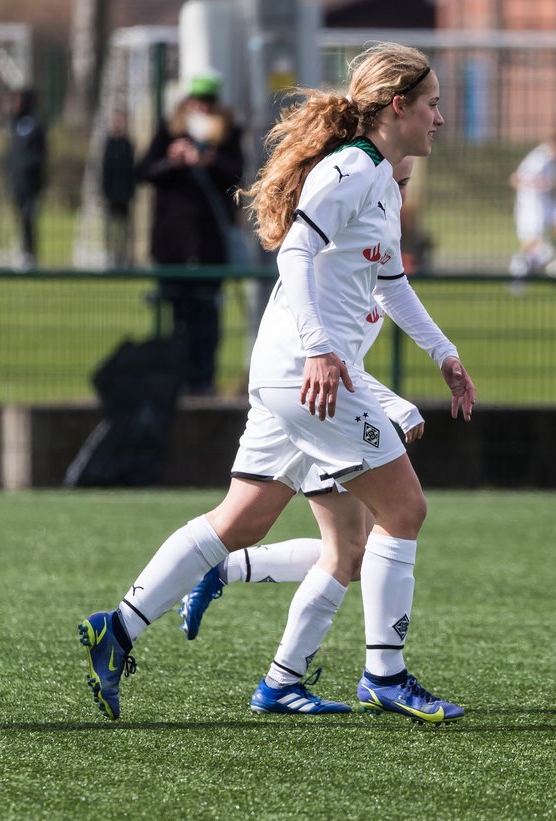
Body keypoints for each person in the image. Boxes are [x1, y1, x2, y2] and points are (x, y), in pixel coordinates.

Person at [79, 43, 476, 723]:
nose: (441, 118)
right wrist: (322, 351)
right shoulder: (351, 171)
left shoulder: (379, 178)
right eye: (434, 104)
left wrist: (444, 353)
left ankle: (115, 630)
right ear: (400, 107)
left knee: (242, 520)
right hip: (307, 374)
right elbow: (294, 248)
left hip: (288, 373)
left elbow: (391, 282)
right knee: (403, 512)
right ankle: (385, 673)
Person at [175, 158, 426, 635]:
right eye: (397, 181)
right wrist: (395, 405)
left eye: (407, 183)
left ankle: (229, 583)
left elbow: (346, 360)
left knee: (354, 552)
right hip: (317, 407)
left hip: (326, 402)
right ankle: (287, 678)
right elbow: (327, 357)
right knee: (350, 551)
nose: (400, 194)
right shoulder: (342, 251)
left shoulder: (372, 258)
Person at [136, 72, 245, 395]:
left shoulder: (227, 135)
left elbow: (236, 176)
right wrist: (173, 162)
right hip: (173, 244)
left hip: (209, 244)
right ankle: (178, 380)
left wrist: (210, 161)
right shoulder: (170, 131)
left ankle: (204, 380)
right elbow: (144, 171)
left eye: (207, 101)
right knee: (178, 318)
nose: (201, 107)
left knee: (207, 318)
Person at [507, 133, 556, 284]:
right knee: (533, 240)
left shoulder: (554, 162)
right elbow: (515, 179)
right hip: (531, 203)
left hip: (547, 202)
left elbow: (551, 186)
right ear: (555, 146)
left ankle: (544, 256)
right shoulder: (538, 159)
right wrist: (538, 183)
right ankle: (516, 273)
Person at [3, 88, 47, 269]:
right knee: (19, 217)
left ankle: (30, 253)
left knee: (29, 217)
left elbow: (41, 152)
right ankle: (22, 251)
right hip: (17, 180)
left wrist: (28, 167)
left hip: (32, 180)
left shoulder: (36, 123)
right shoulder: (14, 123)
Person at [100, 109, 136, 268]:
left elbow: (132, 169)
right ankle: (111, 256)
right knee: (111, 227)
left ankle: (123, 256)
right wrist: (105, 190)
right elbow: (105, 170)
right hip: (111, 193)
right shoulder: (108, 143)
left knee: (125, 228)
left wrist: (130, 189)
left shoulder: (128, 144)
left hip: (125, 193)